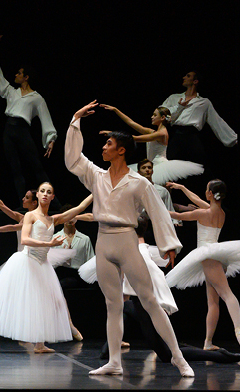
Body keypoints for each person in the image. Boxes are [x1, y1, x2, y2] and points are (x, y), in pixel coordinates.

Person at [64, 100, 193, 377]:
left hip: (126, 240)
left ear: (121, 151)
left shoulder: (138, 182)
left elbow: (158, 213)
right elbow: (73, 160)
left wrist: (169, 246)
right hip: (104, 240)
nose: (103, 148)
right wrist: (75, 120)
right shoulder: (97, 176)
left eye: (108, 144)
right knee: (112, 305)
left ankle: (179, 358)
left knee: (148, 300)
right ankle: (114, 361)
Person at [83, 219, 240, 365]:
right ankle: (108, 350)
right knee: (123, 308)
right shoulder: (136, 249)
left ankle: (219, 356)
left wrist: (163, 305)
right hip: (140, 305)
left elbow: (156, 277)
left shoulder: (138, 254)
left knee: (166, 355)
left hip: (147, 308)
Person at [0, 184, 90, 351]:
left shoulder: (53, 219)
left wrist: (96, 189)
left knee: (45, 301)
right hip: (26, 260)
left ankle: (39, 344)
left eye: (49, 192)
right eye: (42, 191)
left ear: (53, 197)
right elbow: (24, 239)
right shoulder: (30, 215)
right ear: (38, 195)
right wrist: (49, 243)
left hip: (42, 264)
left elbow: (80, 207)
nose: (45, 194)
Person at [163, 180, 240, 351]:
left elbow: (176, 215)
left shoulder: (203, 213)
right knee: (213, 302)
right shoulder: (220, 212)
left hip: (208, 257)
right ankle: (207, 342)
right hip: (217, 256)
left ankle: (239, 330)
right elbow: (200, 202)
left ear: (209, 194)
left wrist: (153, 208)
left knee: (226, 294)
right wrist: (183, 188)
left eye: (206, 190)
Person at [0, 36, 56, 202]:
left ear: (26, 77)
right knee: (15, 168)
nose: (16, 75)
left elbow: (46, 119)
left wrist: (50, 138)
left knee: (36, 166)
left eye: (19, 73)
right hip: (9, 130)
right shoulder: (11, 91)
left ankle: (54, 200)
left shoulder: (36, 98)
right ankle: (22, 201)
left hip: (23, 130)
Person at [99, 103, 203, 184]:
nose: (152, 117)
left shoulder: (162, 134)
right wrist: (116, 110)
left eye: (155, 115)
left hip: (160, 166)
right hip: (151, 164)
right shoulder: (154, 132)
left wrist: (113, 134)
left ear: (162, 118)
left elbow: (134, 138)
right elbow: (132, 123)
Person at [160, 70, 237, 166]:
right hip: (176, 135)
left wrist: (232, 139)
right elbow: (161, 114)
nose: (184, 77)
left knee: (197, 167)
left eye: (188, 76)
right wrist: (179, 107)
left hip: (192, 137)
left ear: (195, 81)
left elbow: (216, 121)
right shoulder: (174, 98)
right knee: (170, 165)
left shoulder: (204, 102)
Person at [52, 215, 95, 287]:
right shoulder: (55, 238)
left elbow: (90, 260)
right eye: (67, 216)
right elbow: (51, 263)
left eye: (72, 216)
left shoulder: (85, 239)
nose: (69, 219)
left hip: (79, 277)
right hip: (60, 276)